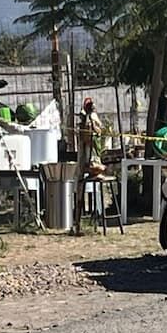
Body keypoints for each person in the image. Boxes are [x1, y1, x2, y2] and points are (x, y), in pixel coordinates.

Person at [72, 97, 103, 235]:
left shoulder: (93, 121)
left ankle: (85, 221)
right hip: (84, 159)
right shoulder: (87, 121)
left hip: (92, 160)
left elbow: (94, 135)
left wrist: (90, 127)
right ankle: (77, 224)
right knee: (79, 188)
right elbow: (85, 137)